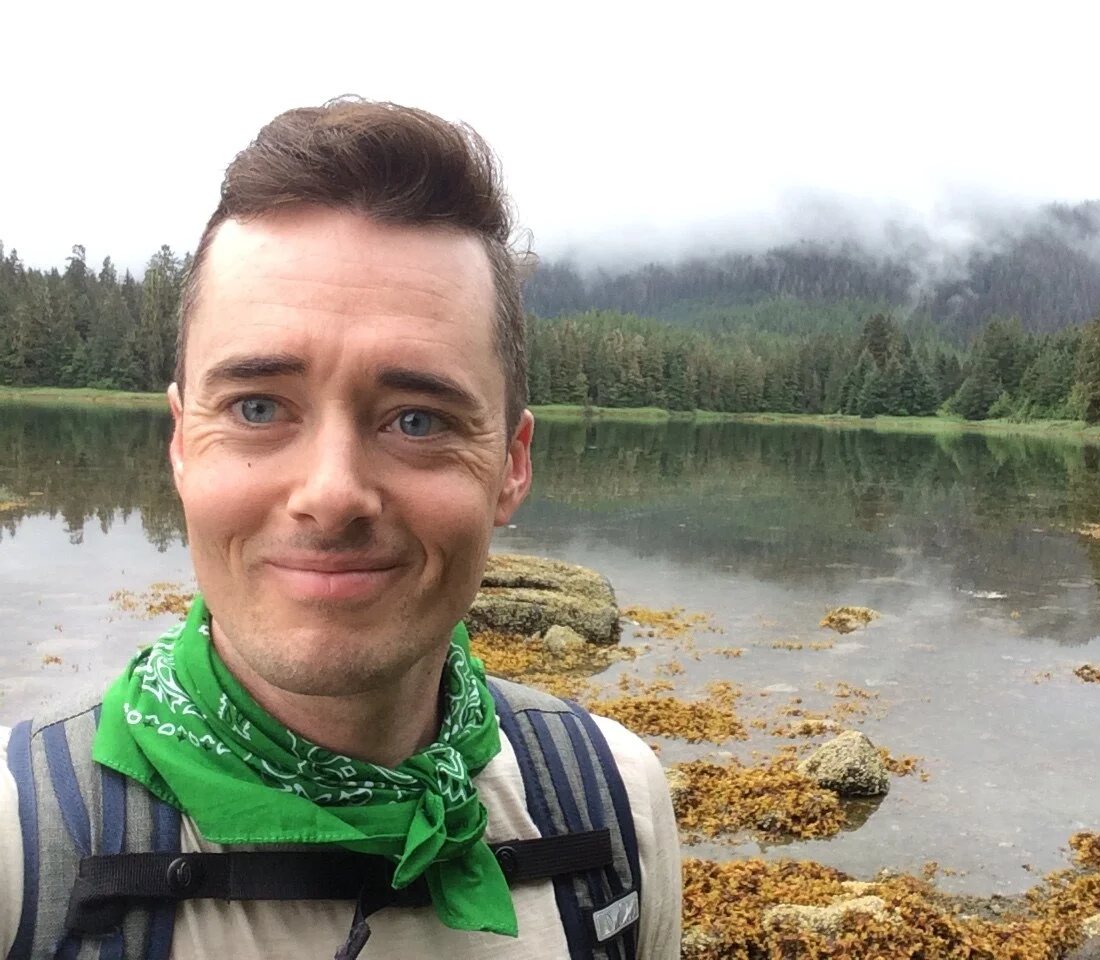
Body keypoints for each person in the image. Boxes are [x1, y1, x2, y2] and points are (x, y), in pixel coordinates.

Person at [0, 98, 681, 960]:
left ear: (512, 464)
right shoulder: (19, 849)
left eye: (418, 420)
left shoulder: (615, 808)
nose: (331, 494)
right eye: (257, 408)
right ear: (180, 444)